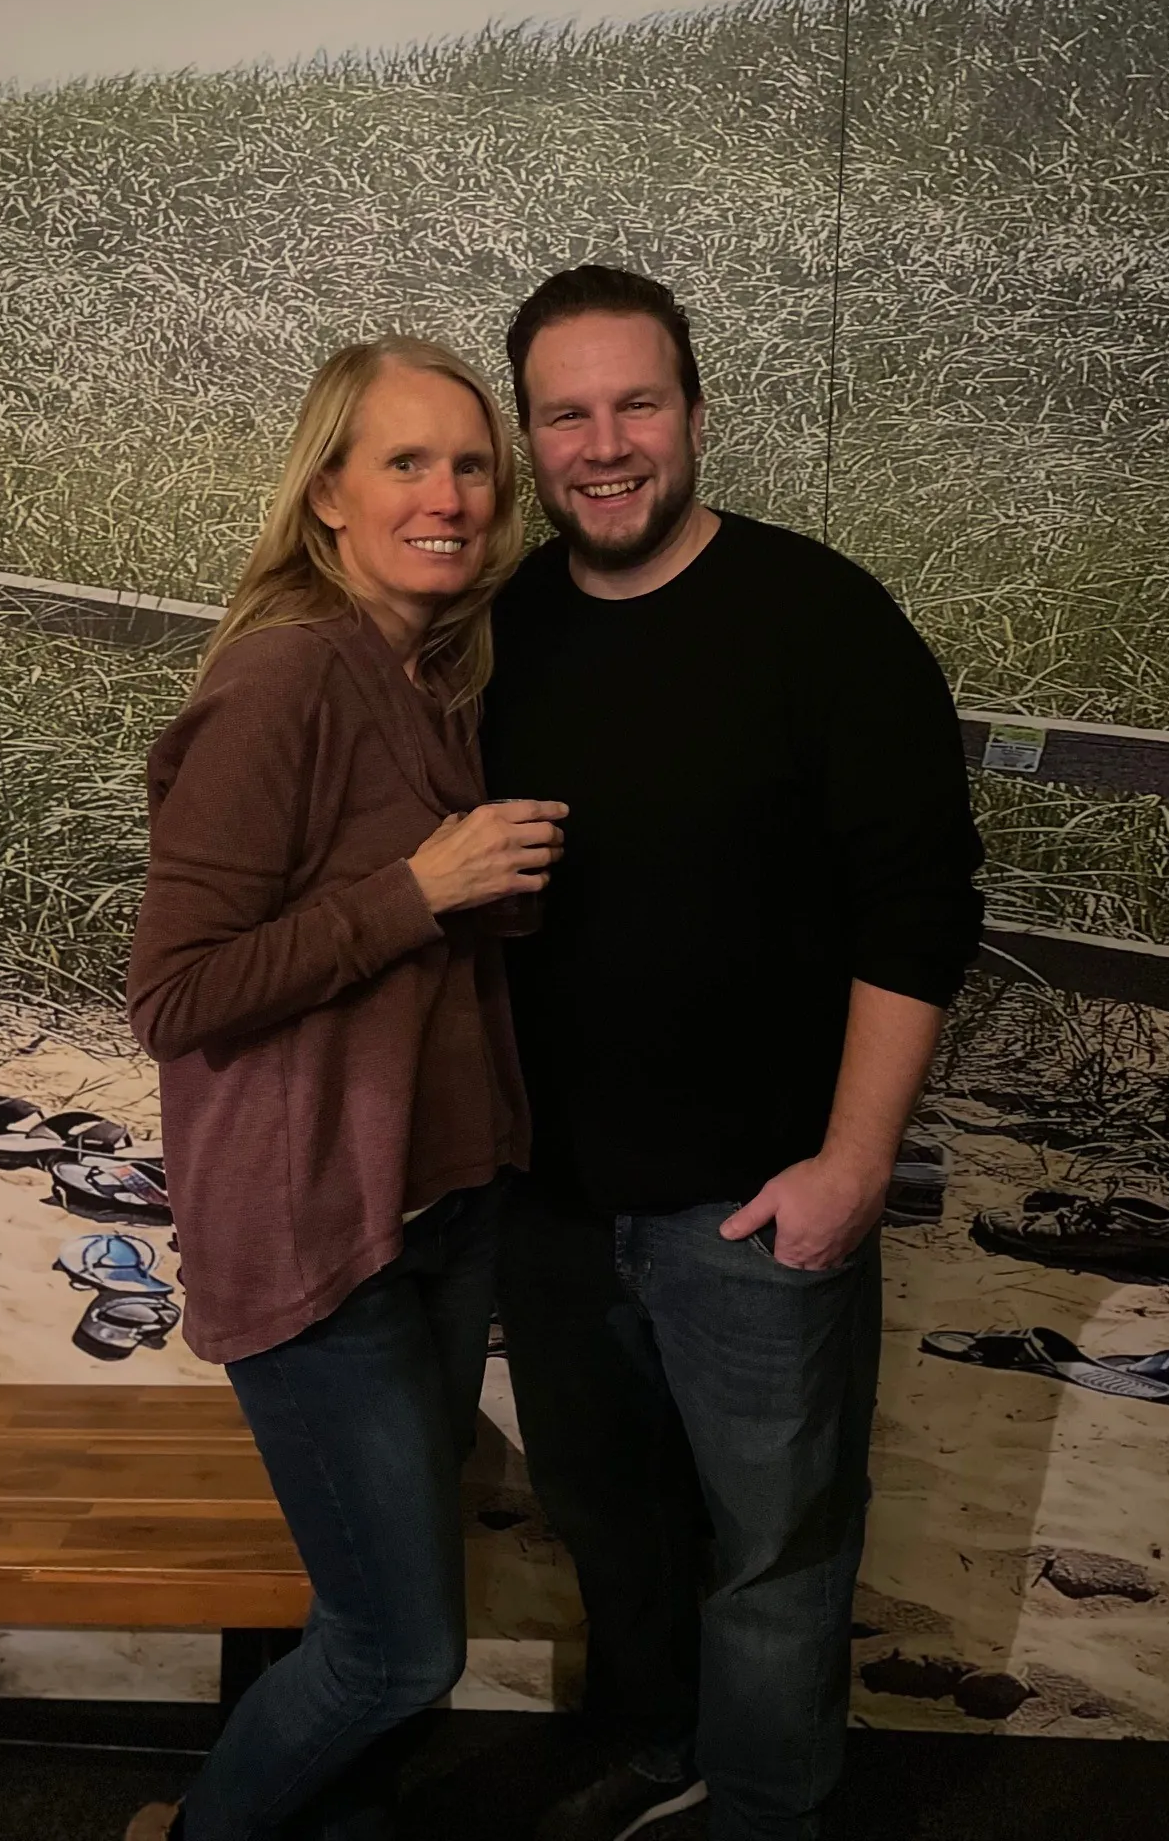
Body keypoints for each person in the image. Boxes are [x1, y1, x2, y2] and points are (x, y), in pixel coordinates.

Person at [481, 267, 985, 1841]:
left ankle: (765, 1809)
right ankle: (659, 1751)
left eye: (636, 404)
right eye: (567, 414)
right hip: (553, 1209)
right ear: (530, 437)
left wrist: (854, 1166)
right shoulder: (500, 633)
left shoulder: (823, 622)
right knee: (613, 1529)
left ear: (696, 413)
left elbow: (921, 910)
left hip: (759, 1210)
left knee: (777, 1557)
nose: (604, 445)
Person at [123, 335, 566, 1841]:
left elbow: (411, 954)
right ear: (327, 494)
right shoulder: (286, 677)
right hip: (319, 1236)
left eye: (473, 466)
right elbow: (177, 994)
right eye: (406, 462)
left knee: (367, 1608)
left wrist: (478, 903)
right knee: (398, 1652)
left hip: (433, 1214)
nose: (449, 496)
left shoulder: (434, 677)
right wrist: (420, 889)